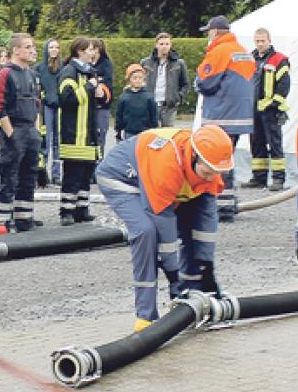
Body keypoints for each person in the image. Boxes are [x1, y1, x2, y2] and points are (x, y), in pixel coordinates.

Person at [97, 126, 231, 331]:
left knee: (190, 225)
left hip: (162, 181)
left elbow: (204, 225)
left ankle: (194, 299)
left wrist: (206, 267)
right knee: (146, 232)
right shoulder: (167, 165)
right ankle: (145, 316)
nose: (210, 178)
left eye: (215, 173)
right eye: (206, 173)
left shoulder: (211, 166)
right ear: (194, 156)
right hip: (123, 179)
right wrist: (173, 275)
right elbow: (165, 227)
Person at [195, 15, 255, 222]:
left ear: (214, 32)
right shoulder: (244, 52)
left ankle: (221, 207)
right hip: (241, 116)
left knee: (216, 161)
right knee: (228, 159)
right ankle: (229, 204)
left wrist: (197, 79)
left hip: (221, 116)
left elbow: (206, 82)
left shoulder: (220, 51)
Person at [0, 33, 42, 231]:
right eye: (28, 47)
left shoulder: (31, 74)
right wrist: (11, 134)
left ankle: (25, 219)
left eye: (32, 47)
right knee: (9, 176)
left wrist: (36, 131)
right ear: (16, 50)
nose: (32, 51)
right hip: (15, 129)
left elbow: (38, 103)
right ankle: (4, 221)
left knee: (29, 176)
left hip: (30, 130)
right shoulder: (6, 73)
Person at [58, 37, 109, 226]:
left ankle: (81, 209)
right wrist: (88, 88)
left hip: (88, 134)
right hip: (74, 134)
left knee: (86, 174)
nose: (93, 53)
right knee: (72, 175)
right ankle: (66, 211)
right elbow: (66, 99)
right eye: (89, 49)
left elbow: (95, 101)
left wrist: (100, 95)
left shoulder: (90, 72)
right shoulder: (69, 72)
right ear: (79, 52)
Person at [243, 28, 290, 191]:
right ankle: (259, 177)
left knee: (275, 144)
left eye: (263, 40)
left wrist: (275, 104)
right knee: (256, 144)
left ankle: (278, 179)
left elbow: (284, 85)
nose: (260, 44)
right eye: (257, 41)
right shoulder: (250, 59)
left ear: (269, 40)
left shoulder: (279, 59)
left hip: (271, 110)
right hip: (254, 110)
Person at [141, 32, 190, 128]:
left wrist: (178, 97)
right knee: (151, 133)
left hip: (169, 106)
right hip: (151, 104)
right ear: (156, 45)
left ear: (171, 45)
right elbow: (140, 82)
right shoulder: (145, 62)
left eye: (167, 44)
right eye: (161, 44)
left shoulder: (179, 63)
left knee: (167, 134)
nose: (164, 47)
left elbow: (185, 84)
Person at [35, 38, 63, 183]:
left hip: (60, 108)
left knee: (58, 141)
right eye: (51, 47)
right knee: (45, 140)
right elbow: (37, 88)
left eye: (56, 47)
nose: (54, 50)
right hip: (45, 108)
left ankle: (57, 175)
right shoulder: (39, 68)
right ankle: (42, 174)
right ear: (46, 49)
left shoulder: (63, 68)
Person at [114, 63, 158, 140]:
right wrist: (118, 130)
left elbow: (153, 115)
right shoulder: (124, 97)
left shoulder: (149, 97)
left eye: (140, 78)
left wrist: (154, 129)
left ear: (143, 79)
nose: (138, 80)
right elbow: (119, 115)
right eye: (135, 78)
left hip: (145, 132)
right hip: (129, 132)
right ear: (129, 79)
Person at [90, 38, 114, 152]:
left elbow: (107, 83)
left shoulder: (106, 64)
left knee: (101, 137)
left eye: (93, 49)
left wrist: (98, 83)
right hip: (89, 106)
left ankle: (99, 163)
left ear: (98, 50)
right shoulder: (86, 64)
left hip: (102, 107)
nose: (91, 52)